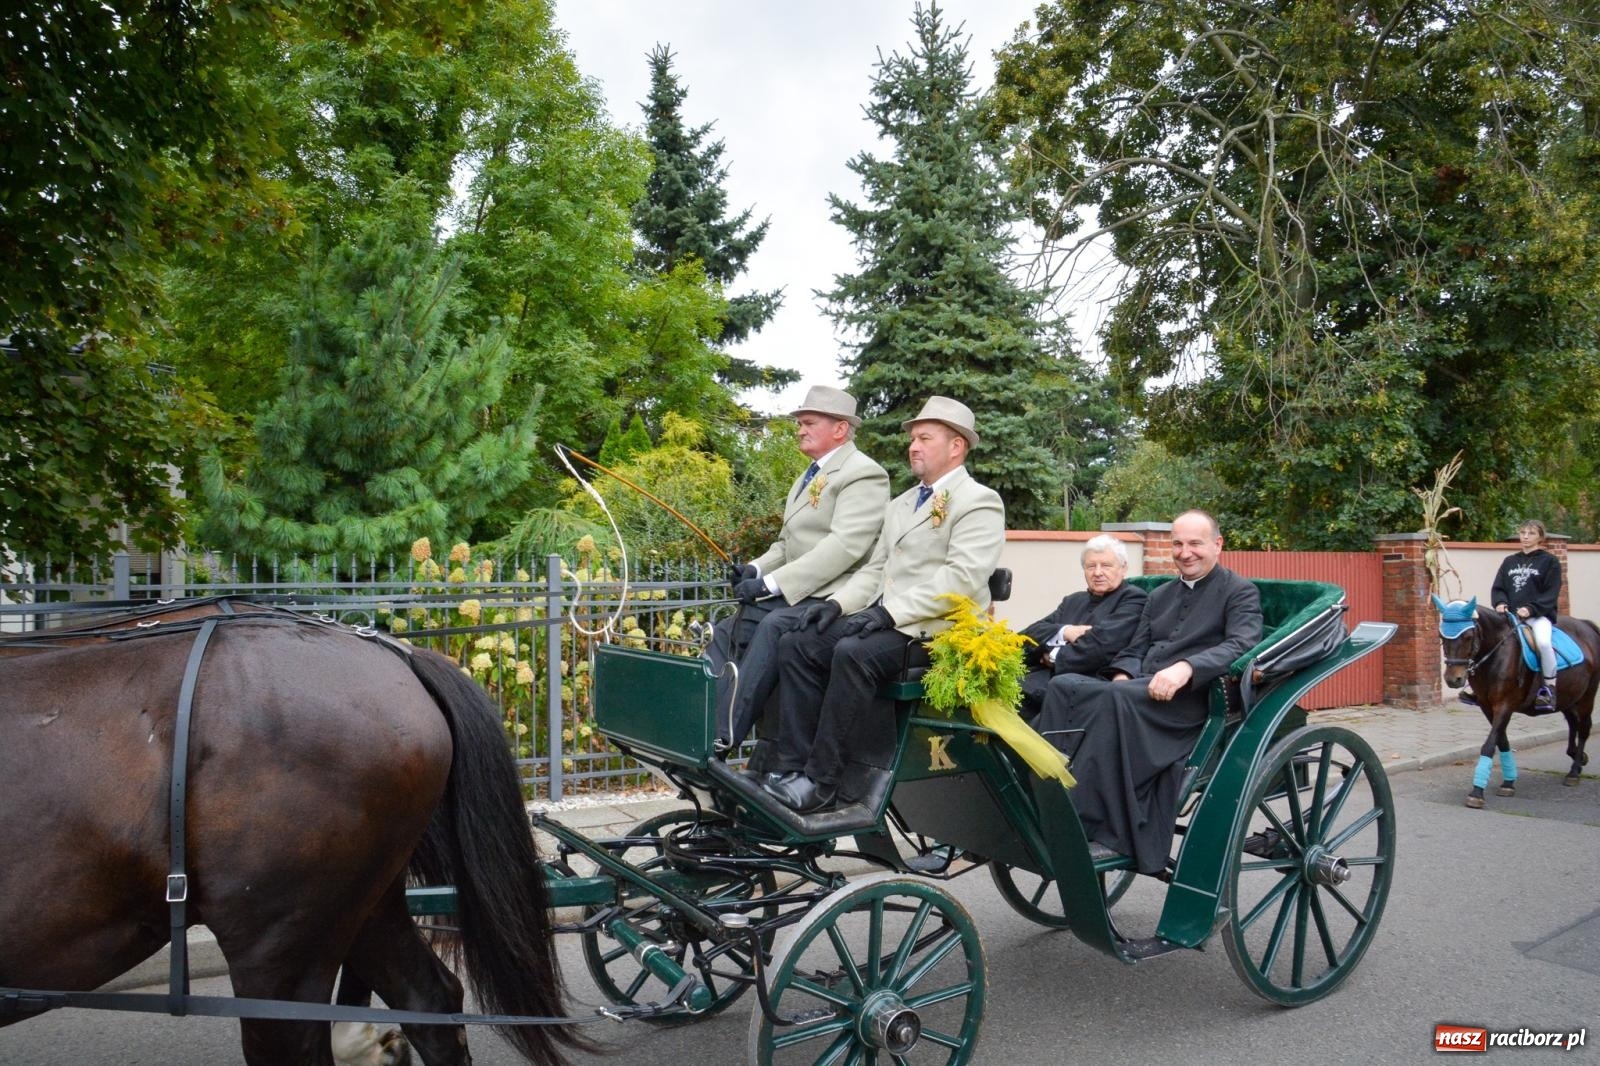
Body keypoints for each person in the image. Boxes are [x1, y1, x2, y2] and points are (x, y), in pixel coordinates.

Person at [763, 396, 1005, 813]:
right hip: (892, 623)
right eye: (912, 438)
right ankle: (789, 768)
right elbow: (875, 571)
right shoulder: (901, 504)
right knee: (799, 642)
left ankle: (823, 783)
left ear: (956, 447)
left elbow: (960, 580)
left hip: (941, 630)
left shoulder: (979, 501)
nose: (913, 446)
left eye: (924, 438)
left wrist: (886, 613)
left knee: (853, 654)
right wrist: (837, 606)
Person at [1034, 510, 1262, 874]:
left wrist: (1188, 667)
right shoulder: (1160, 597)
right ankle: (1050, 800)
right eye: (1177, 544)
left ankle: (1100, 824)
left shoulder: (1239, 591)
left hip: (1189, 700)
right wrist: (1123, 674)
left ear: (1217, 545)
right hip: (1142, 690)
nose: (1184, 552)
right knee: (1063, 685)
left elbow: (1242, 643)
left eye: (1194, 544)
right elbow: (1136, 648)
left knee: (1112, 698)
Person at [708, 385, 890, 754]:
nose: (800, 430)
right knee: (727, 630)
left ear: (840, 429)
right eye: (800, 423)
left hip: (835, 594)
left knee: (773, 627)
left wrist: (771, 585)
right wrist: (754, 570)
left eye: (809, 423)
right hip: (800, 590)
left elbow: (844, 547)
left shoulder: (864, 474)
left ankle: (725, 736)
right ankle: (702, 717)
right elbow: (786, 543)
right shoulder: (808, 475)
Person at [1018, 534, 1147, 721]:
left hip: (1080, 684)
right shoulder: (1072, 601)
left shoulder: (1134, 599)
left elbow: (1101, 646)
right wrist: (1066, 631)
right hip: (1041, 678)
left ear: (1123, 568)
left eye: (1106, 565)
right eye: (1091, 566)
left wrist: (1053, 656)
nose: (1098, 572)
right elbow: (1027, 635)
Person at [1491, 519, 1562, 711]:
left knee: (1544, 643)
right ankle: (1478, 687)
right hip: (1510, 617)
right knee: (1488, 641)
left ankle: (1549, 688)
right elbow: (1499, 587)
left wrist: (1531, 609)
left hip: (1538, 617)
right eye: (1522, 533)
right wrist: (1500, 603)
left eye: (1530, 533)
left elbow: (1551, 593)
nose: (1525, 537)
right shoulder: (1509, 561)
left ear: (1540, 537)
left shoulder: (1550, 562)